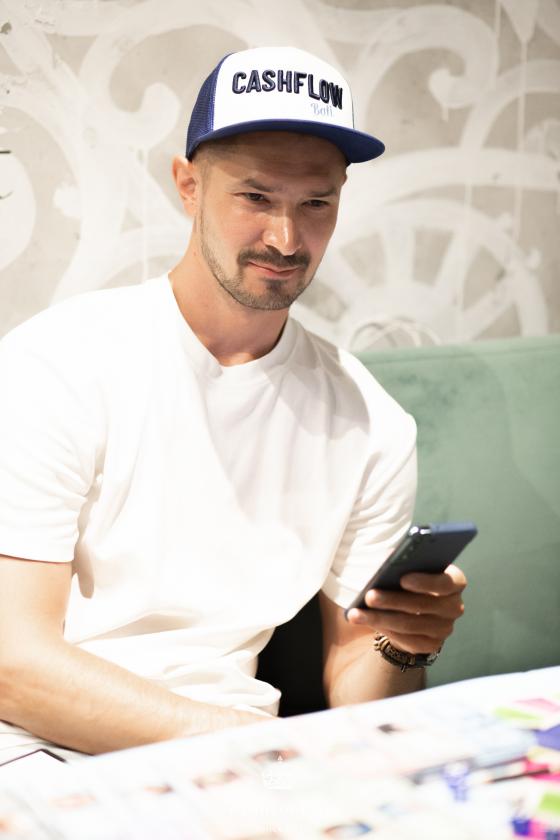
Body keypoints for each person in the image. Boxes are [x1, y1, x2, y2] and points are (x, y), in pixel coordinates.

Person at [0, 46, 466, 764]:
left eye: (316, 203)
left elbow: (356, 677)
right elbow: (12, 665)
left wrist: (403, 645)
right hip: (39, 749)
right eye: (255, 197)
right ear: (188, 186)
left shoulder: (370, 425)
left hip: (239, 768)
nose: (286, 238)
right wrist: (248, 744)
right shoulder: (59, 364)